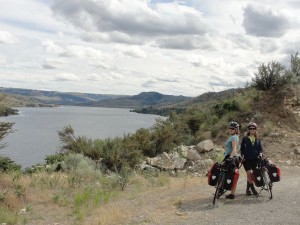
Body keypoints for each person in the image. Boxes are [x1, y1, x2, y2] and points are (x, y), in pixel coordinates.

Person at [240, 122, 263, 196]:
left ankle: (247, 190)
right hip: (246, 159)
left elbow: (260, 149)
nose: (252, 130)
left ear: (256, 129)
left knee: (251, 174)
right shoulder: (245, 138)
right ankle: (253, 189)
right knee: (249, 172)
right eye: (251, 129)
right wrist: (242, 155)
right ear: (249, 130)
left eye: (254, 128)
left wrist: (260, 154)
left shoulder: (258, 139)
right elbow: (242, 148)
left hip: (255, 159)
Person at [223, 121, 240, 199]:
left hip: (231, 157)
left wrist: (229, 158)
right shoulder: (234, 136)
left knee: (225, 173)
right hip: (233, 157)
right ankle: (232, 193)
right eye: (229, 128)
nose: (230, 129)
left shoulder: (233, 137)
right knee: (233, 175)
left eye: (232, 128)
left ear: (236, 129)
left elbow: (234, 149)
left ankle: (221, 188)